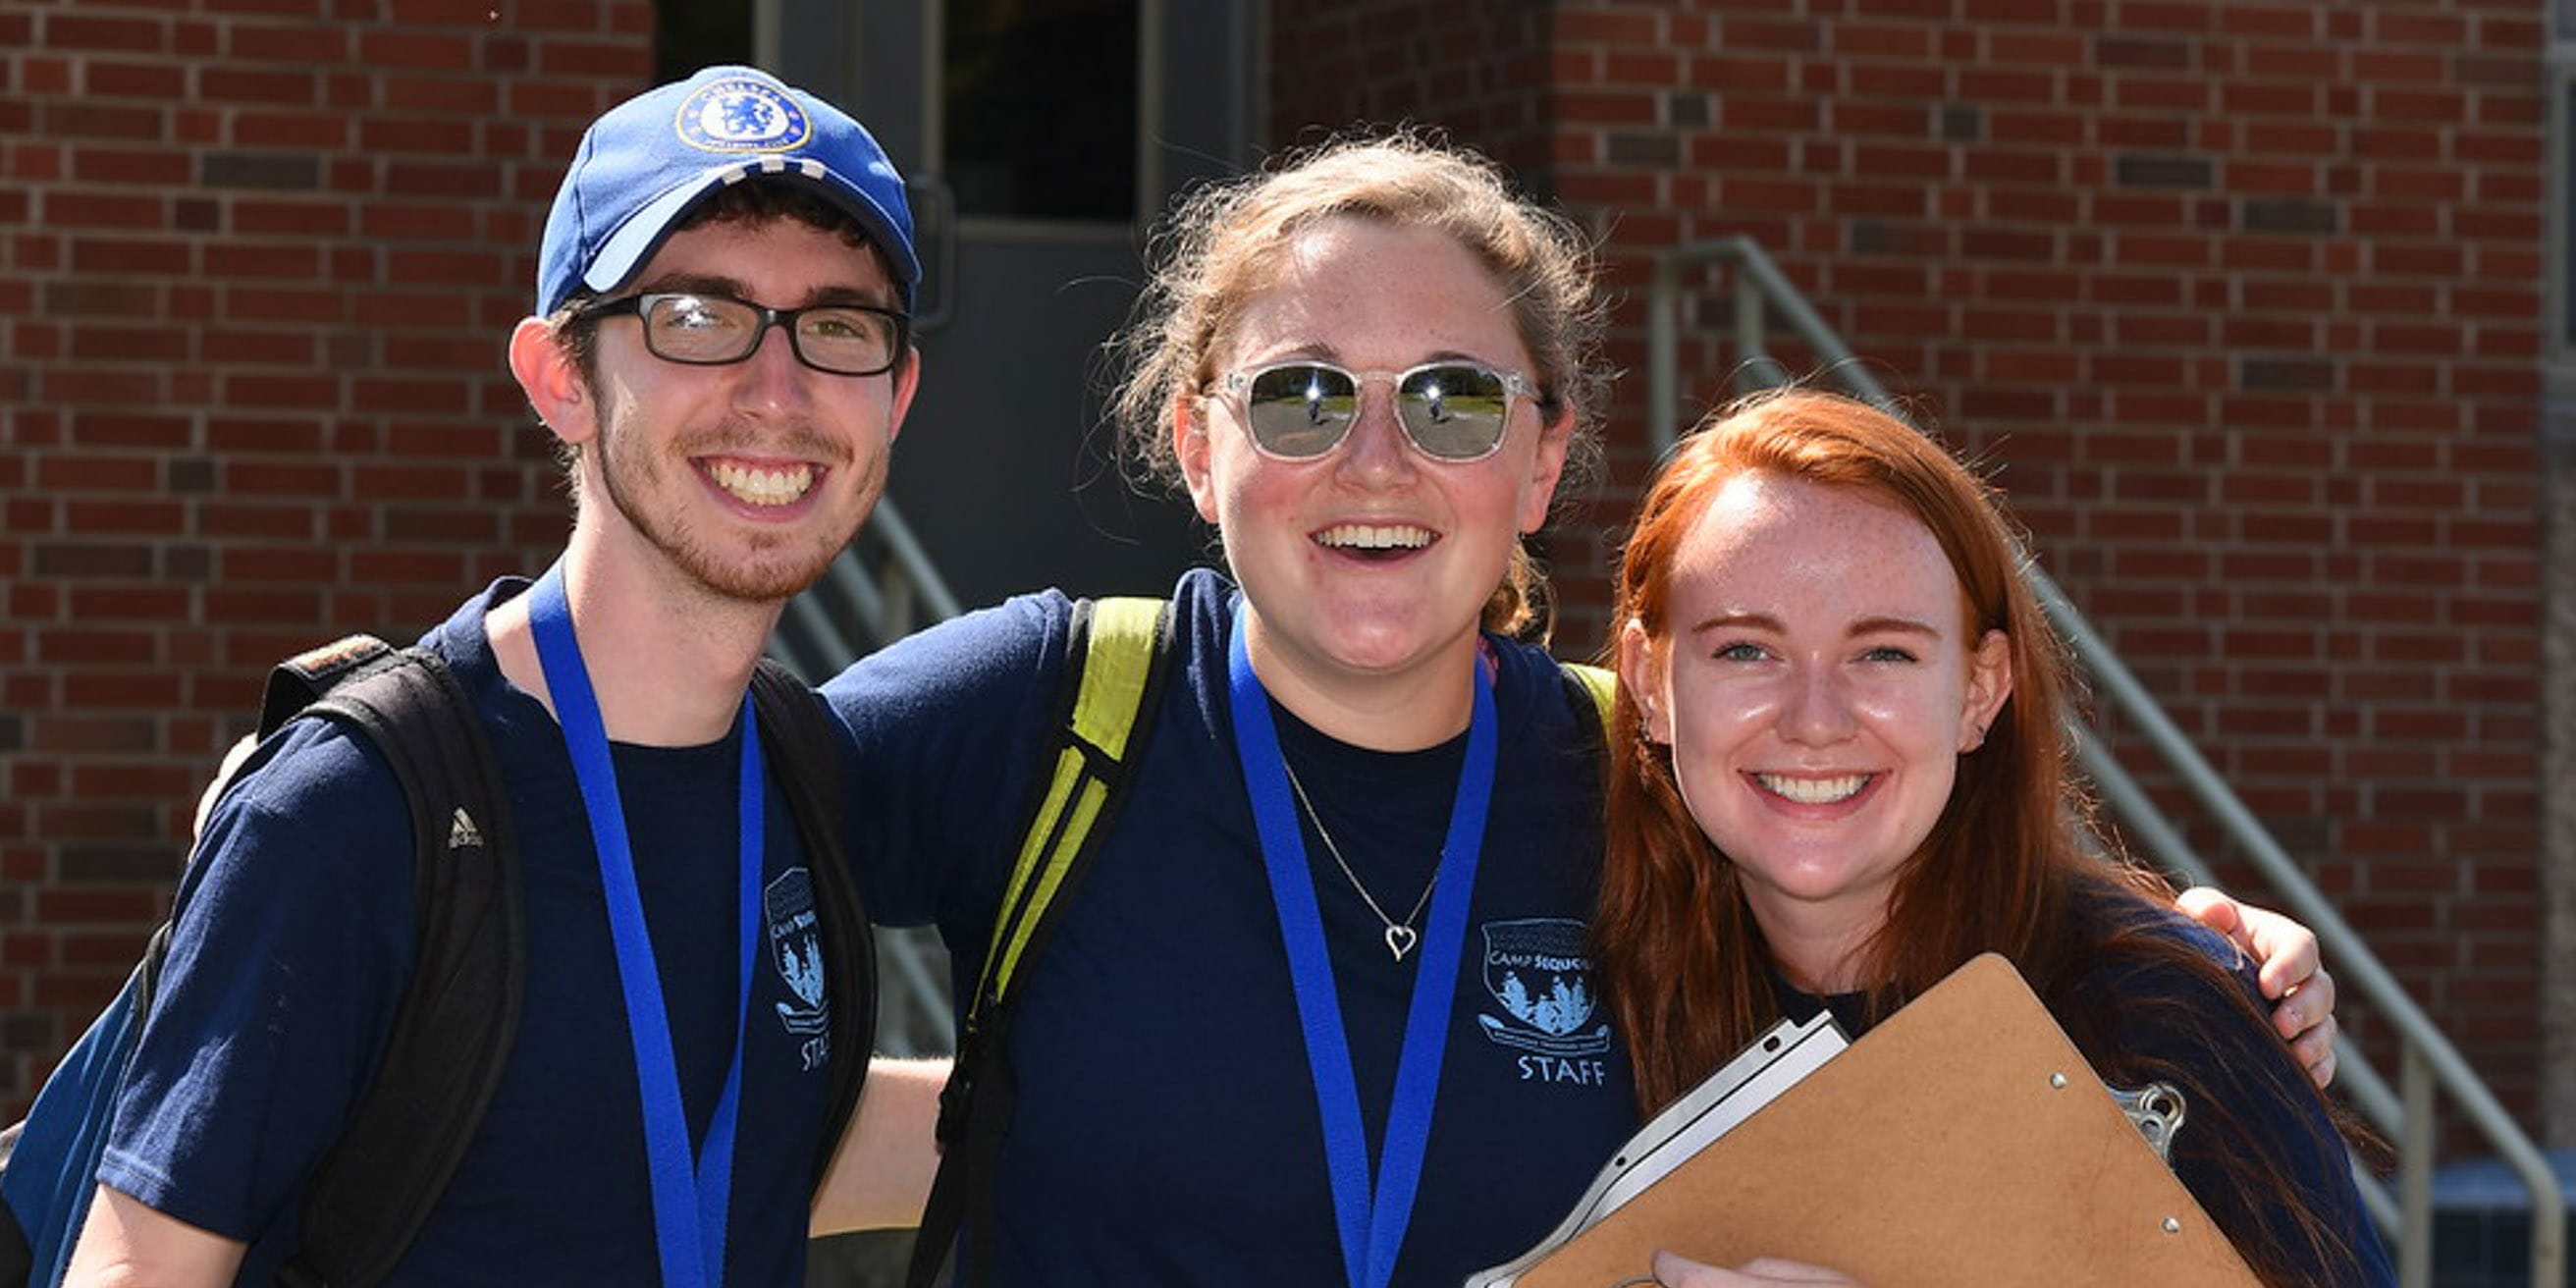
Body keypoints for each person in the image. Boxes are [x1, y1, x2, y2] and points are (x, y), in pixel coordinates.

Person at [823, 134, 2341, 1286]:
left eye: (1453, 400)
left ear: (1543, 464)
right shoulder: (1041, 708)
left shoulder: (1657, 775)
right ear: (1197, 445)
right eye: (1299, 395)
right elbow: (643, 863)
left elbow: (1935, 965)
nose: (1373, 461)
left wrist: (2183, 975)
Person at [68, 66, 942, 1286]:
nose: (777, 391)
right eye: (697, 315)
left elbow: (698, 1149)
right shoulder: (358, 808)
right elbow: (138, 1264)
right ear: (560, 378)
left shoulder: (799, 771)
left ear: (894, 396)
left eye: (838, 326)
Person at [1598, 390, 2391, 1285]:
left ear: (1980, 692)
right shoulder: (1589, 1013)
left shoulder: (2154, 1017)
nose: (1814, 721)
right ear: (1650, 682)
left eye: (1884, 653)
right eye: (1746, 650)